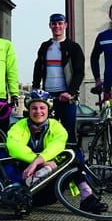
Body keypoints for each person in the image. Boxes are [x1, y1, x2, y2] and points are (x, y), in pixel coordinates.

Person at [4, 91, 106, 213]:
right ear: (29, 110)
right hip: (25, 187)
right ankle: (20, 198)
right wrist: (39, 163)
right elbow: (14, 146)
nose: (38, 112)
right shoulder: (19, 126)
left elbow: (57, 145)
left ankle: (87, 198)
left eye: (42, 108)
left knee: (73, 157)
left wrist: (38, 161)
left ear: (48, 110)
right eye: (34, 108)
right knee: (5, 154)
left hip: (50, 186)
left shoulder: (55, 126)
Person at [31, 13, 85, 146]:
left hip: (66, 96)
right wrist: (36, 88)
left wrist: (70, 92)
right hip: (48, 96)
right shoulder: (44, 46)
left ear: (65, 25)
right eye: (54, 24)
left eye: (60, 23)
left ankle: (73, 160)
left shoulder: (74, 47)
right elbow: (38, 68)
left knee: (69, 133)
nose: (57, 26)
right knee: (46, 133)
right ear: (50, 26)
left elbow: (79, 72)